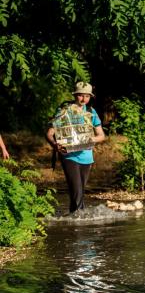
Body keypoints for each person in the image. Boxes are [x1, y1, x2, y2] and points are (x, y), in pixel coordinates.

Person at [46, 82, 105, 213]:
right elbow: (50, 134)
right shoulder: (64, 110)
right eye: (80, 95)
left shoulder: (91, 112)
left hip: (87, 157)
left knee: (78, 195)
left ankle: (75, 225)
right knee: (77, 193)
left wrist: (90, 139)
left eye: (87, 96)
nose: (84, 99)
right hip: (69, 156)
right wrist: (55, 145)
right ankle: (79, 224)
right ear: (75, 95)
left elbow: (101, 135)